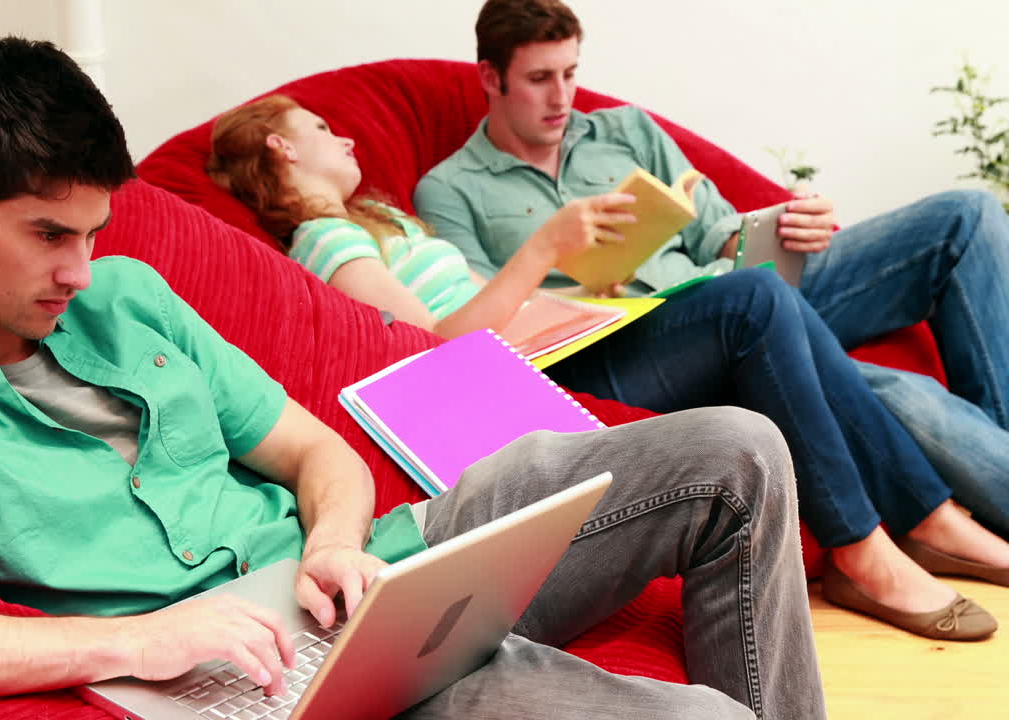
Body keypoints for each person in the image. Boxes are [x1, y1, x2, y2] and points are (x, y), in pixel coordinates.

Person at [0, 36, 827, 720]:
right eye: (48, 237)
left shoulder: (126, 297)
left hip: (376, 567)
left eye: (91, 233)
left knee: (738, 446)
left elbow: (315, 450)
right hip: (275, 675)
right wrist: (140, 640)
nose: (76, 273)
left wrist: (328, 545)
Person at [207, 92, 1009, 641]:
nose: (344, 138)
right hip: (528, 390)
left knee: (760, 297)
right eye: (321, 129)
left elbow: (488, 315)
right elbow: (433, 349)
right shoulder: (328, 242)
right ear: (282, 145)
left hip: (552, 347)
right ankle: (867, 548)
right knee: (755, 306)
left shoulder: (378, 222)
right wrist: (543, 250)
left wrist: (584, 290)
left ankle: (928, 525)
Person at [413, 0, 1009, 542]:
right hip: (659, 340)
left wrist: (786, 229)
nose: (562, 98)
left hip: (738, 287)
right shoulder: (450, 189)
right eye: (540, 79)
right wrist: (560, 261)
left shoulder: (626, 131)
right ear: (491, 78)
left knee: (967, 215)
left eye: (570, 73)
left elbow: (719, 235)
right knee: (896, 388)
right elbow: (492, 331)